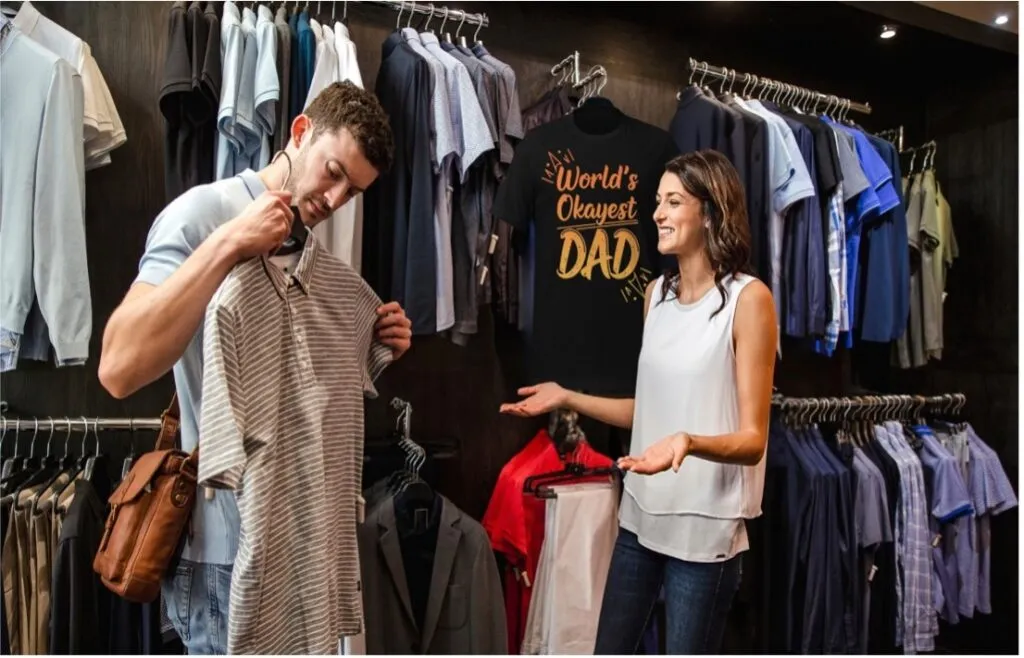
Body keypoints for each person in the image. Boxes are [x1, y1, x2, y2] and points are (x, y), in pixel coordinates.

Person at [98, 81, 413, 654]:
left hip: (300, 548)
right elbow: (118, 368)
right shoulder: (203, 214)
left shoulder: (310, 252)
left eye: (353, 192)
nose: (335, 200)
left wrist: (375, 341)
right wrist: (227, 245)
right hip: (221, 552)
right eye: (333, 171)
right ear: (299, 133)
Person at [501, 150, 777, 654]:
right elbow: (647, 411)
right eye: (658, 202)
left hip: (704, 529)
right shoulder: (656, 295)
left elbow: (753, 440)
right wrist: (567, 396)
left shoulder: (749, 299)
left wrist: (688, 442)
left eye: (673, 201)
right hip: (641, 514)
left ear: (710, 212)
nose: (657, 214)